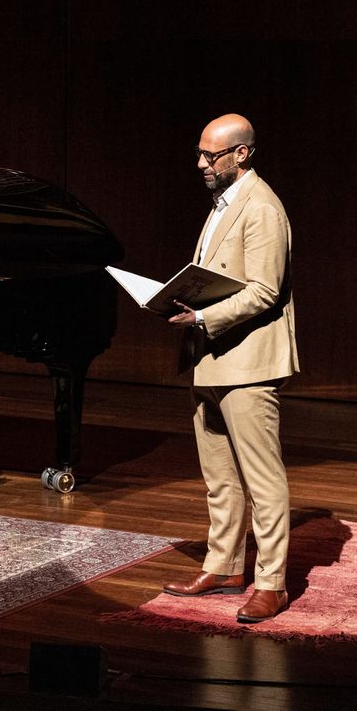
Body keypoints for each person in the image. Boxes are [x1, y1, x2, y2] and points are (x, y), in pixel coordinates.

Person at [162, 113, 299, 623]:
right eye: (199, 154)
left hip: (247, 361)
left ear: (242, 154)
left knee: (262, 479)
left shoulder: (262, 207)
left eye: (211, 155)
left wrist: (201, 315)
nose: (201, 163)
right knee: (219, 476)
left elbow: (265, 291)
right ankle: (223, 566)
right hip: (212, 359)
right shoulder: (223, 205)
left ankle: (272, 583)